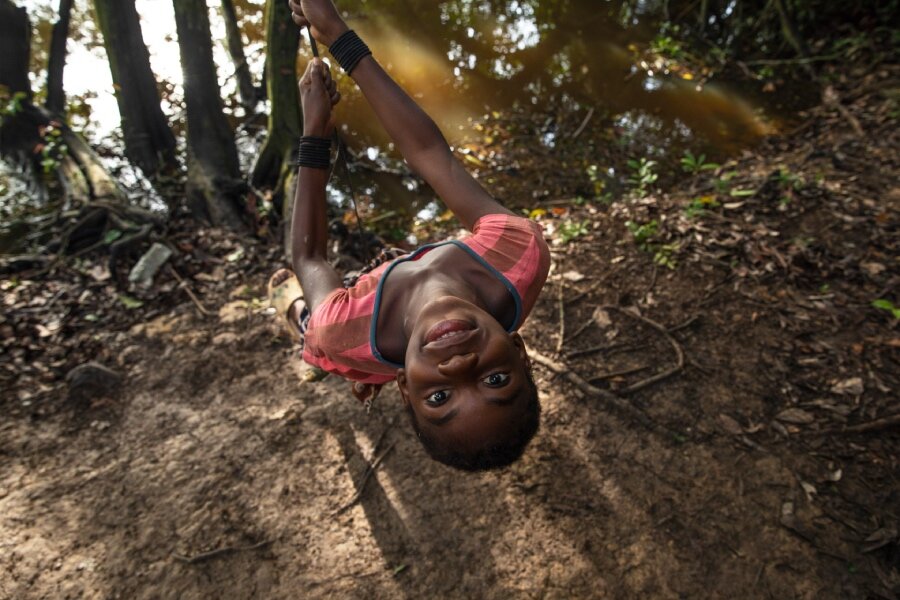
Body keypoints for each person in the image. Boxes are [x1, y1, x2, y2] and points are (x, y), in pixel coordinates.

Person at [268, 0, 550, 471]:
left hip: (351, 340)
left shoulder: (345, 328)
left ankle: (294, 316)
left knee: (312, 332)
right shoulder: (516, 254)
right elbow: (428, 152)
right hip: (392, 316)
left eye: (439, 396)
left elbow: (311, 258)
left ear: (404, 386)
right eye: (496, 380)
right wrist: (338, 35)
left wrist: (314, 130)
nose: (460, 366)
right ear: (519, 351)